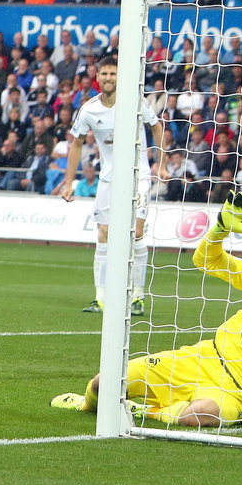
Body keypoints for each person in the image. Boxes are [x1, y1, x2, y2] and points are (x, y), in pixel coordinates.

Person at [52, 192, 242, 427]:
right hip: (201, 358)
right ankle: (85, 404)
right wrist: (220, 228)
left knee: (196, 415)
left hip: (239, 391)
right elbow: (205, 260)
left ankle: (144, 411)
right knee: (105, 382)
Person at [59, 56, 163, 315]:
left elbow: (156, 127)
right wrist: (69, 182)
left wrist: (160, 163)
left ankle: (138, 296)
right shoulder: (89, 109)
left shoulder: (134, 101)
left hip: (137, 176)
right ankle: (101, 298)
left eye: (113, 74)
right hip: (108, 179)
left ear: (120, 76)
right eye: (104, 73)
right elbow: (76, 143)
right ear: (97, 77)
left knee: (136, 233)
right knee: (103, 235)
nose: (108, 78)